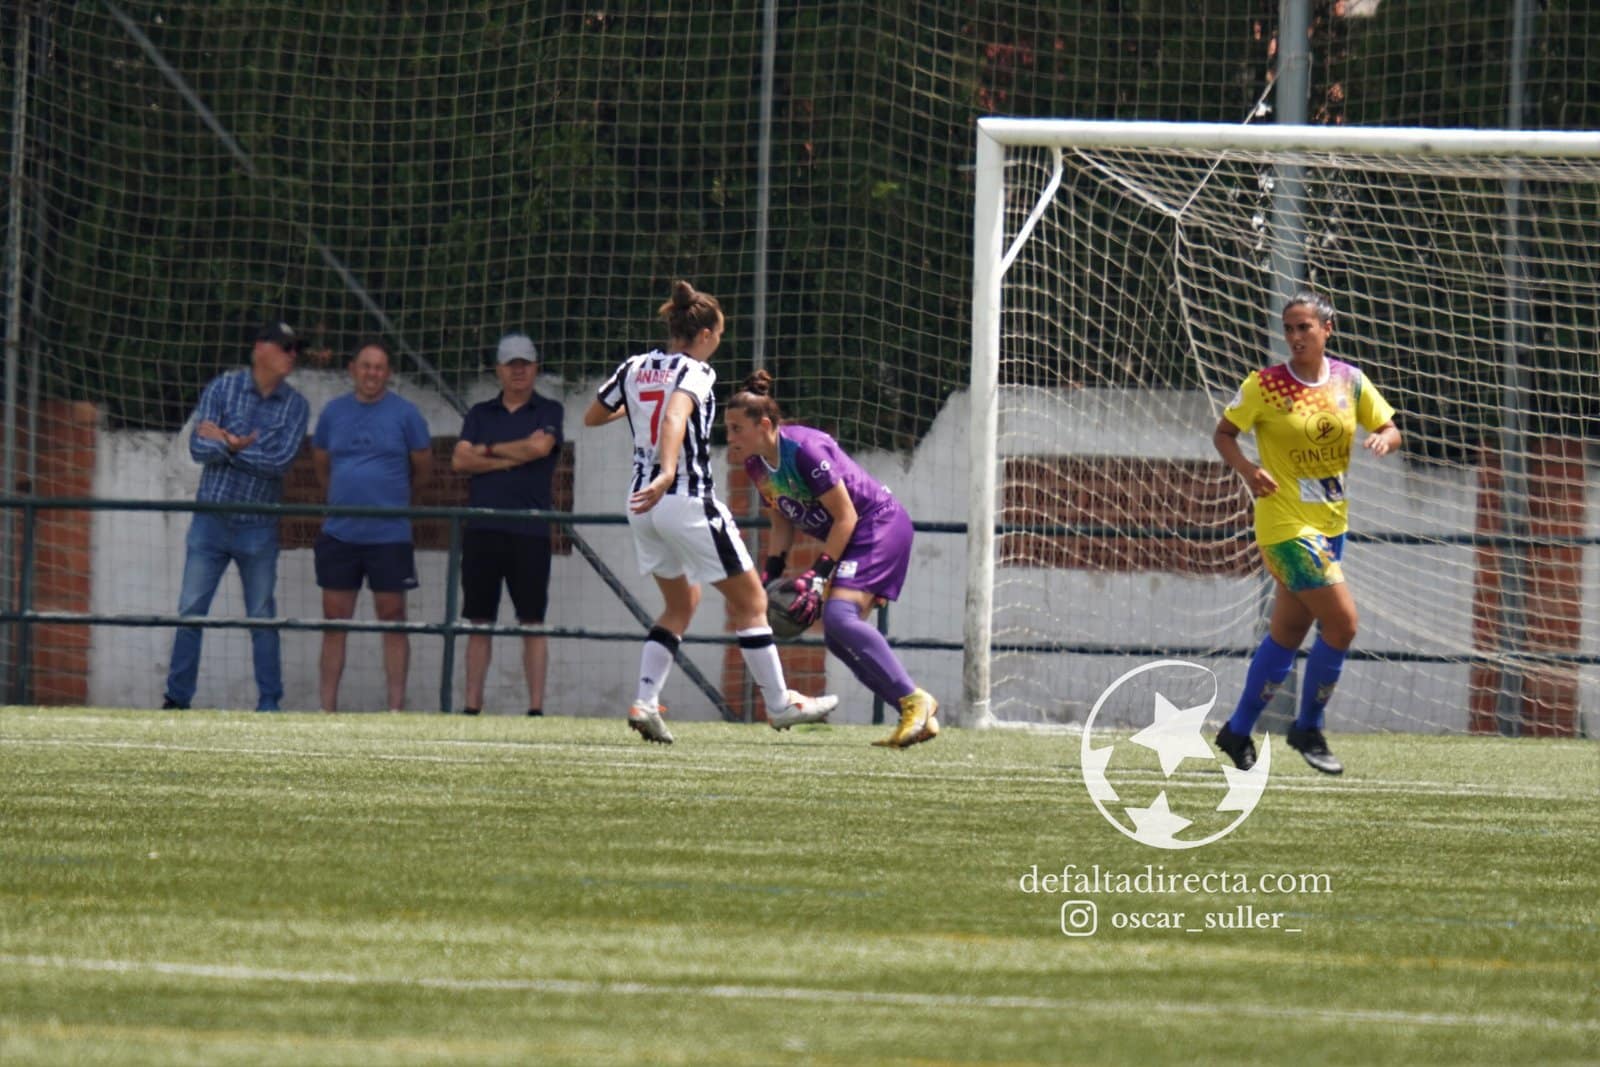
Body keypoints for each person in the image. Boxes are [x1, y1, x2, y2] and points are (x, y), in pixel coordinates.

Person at [583, 280, 837, 744]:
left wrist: (640, 412)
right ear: (704, 335)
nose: (719, 340)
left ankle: (644, 702)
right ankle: (779, 703)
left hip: (641, 505)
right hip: (684, 498)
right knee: (752, 604)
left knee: (681, 604)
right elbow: (675, 415)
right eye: (719, 333)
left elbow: (593, 416)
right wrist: (667, 470)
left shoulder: (635, 367)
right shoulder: (696, 371)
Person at [1211, 290, 1401, 775]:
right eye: (1289, 328)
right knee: (1343, 624)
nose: (1295, 336)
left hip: (1331, 526)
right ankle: (1307, 727)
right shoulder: (1264, 385)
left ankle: (1237, 731)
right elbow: (1224, 434)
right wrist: (1248, 470)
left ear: (1326, 330)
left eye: (1305, 327)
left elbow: (1391, 427)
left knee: (1289, 632)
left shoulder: (1349, 381)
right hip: (1285, 526)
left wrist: (1384, 437)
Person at [724, 371, 938, 749]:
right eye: (728, 429)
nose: (730, 437)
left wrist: (819, 575)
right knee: (838, 638)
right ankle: (915, 714)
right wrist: (770, 576)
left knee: (839, 617)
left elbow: (846, 517)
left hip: (878, 525)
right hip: (855, 536)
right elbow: (781, 520)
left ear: (765, 425)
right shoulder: (756, 465)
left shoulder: (804, 450)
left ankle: (913, 699)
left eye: (737, 428)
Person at [162, 320, 311, 712]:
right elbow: (198, 448)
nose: (293, 355)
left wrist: (226, 444)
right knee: (191, 611)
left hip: (258, 525)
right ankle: (177, 699)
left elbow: (279, 462)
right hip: (210, 520)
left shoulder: (296, 405)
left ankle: (269, 702)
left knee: (261, 615)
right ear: (260, 348)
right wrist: (235, 447)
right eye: (286, 347)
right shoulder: (222, 387)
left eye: (296, 349)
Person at [311, 339, 432, 712]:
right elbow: (321, 463)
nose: (372, 373)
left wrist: (397, 503)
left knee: (393, 619)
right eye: (366, 366)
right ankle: (327, 710)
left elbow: (423, 467)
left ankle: (395, 709)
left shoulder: (406, 414)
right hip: (340, 533)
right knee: (335, 621)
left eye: (379, 367)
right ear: (353, 369)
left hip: (389, 536)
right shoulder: (333, 413)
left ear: (388, 373)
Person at [450, 332, 564, 717]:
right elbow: (460, 461)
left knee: (532, 620)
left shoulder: (549, 410)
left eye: (525, 364)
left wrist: (487, 450)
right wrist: (513, 457)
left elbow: (540, 448)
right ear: (498, 370)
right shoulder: (479, 414)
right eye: (511, 365)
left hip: (530, 530)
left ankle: (535, 709)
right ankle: (472, 706)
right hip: (482, 529)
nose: (518, 371)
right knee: (479, 621)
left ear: (535, 368)